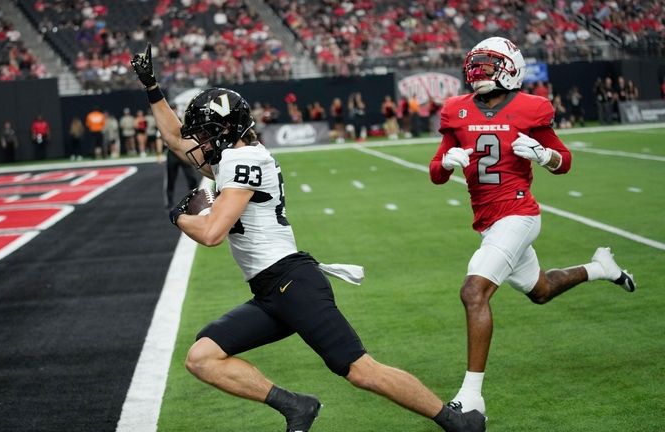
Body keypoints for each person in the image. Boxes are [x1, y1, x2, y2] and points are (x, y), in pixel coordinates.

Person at [131, 43, 485, 432]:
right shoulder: (236, 155)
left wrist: (180, 216)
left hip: (291, 283)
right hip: (271, 289)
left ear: (224, 129)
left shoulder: (243, 159)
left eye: (204, 131)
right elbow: (176, 141)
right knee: (202, 356)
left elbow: (213, 232)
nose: (198, 139)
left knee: (361, 371)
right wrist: (152, 87)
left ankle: (455, 421)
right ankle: (296, 406)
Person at [429, 36, 636, 418]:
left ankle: (471, 396)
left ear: (509, 69)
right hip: (488, 222)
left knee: (474, 291)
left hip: (520, 214)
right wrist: (444, 164)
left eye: (487, 66)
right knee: (539, 290)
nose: (477, 73)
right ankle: (600, 267)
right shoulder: (456, 110)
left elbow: (565, 161)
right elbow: (436, 174)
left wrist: (545, 154)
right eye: (475, 66)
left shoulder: (530, 108)